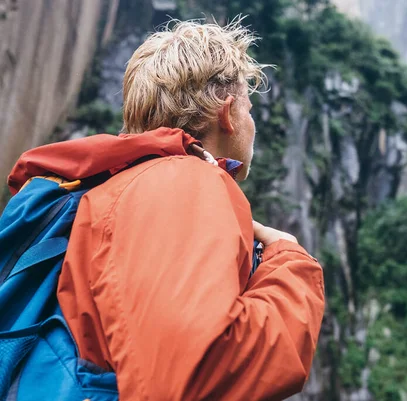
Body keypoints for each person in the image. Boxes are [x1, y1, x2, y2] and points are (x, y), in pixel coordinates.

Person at [7, 19, 325, 400]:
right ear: (227, 113)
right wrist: (292, 264)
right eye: (250, 109)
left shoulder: (120, 187)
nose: (251, 123)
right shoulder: (183, 181)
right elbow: (201, 374)